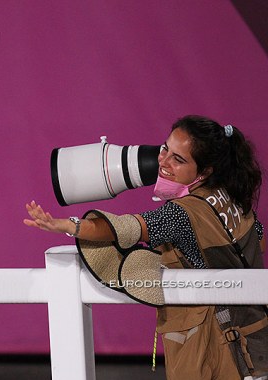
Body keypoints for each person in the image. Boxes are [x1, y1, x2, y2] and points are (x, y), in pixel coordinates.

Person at [24, 115, 267, 380]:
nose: (163, 161)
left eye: (179, 159)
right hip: (256, 340)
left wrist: (68, 225)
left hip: (218, 353)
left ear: (205, 171)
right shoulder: (229, 194)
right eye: (166, 149)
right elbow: (258, 240)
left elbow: (125, 228)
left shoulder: (181, 214)